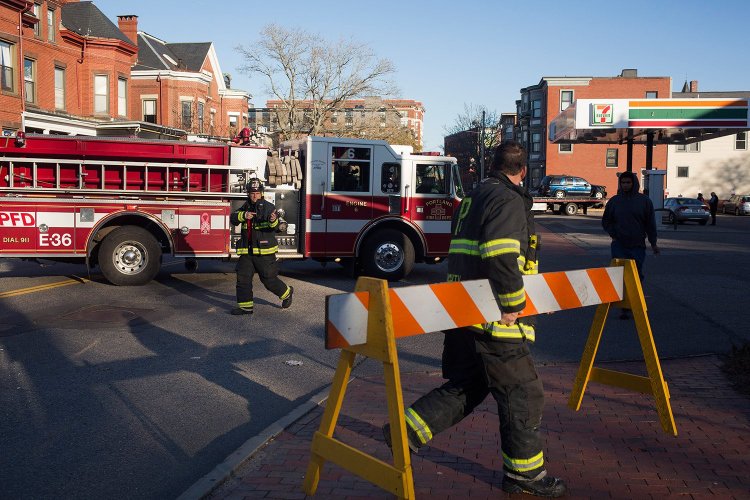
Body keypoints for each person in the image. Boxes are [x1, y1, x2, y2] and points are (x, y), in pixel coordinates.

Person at [382, 142, 566, 497]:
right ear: (523, 170)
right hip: (495, 319)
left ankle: (404, 432)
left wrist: (538, 296)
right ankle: (524, 477)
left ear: (494, 165)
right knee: (523, 394)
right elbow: (500, 254)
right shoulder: (508, 199)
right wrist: (513, 304)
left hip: (464, 313)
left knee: (469, 384)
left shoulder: (474, 197)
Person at [229, 178, 293, 315]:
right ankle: (246, 307)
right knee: (243, 278)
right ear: (248, 193)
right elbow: (233, 218)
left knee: (268, 280)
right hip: (247, 252)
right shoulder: (245, 207)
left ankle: (287, 292)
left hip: (264, 253)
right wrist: (243, 215)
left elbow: (276, 226)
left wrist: (273, 220)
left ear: (262, 193)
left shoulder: (269, 207)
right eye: (252, 193)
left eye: (257, 193)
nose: (254, 195)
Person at [601, 171, 660, 319]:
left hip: (637, 245)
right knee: (621, 275)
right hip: (619, 245)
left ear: (634, 183)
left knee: (636, 275)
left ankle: (635, 303)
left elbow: (650, 224)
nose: (625, 185)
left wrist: (653, 243)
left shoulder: (644, 201)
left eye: (628, 182)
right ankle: (624, 307)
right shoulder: (615, 201)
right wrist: (613, 234)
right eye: (623, 182)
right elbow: (606, 221)